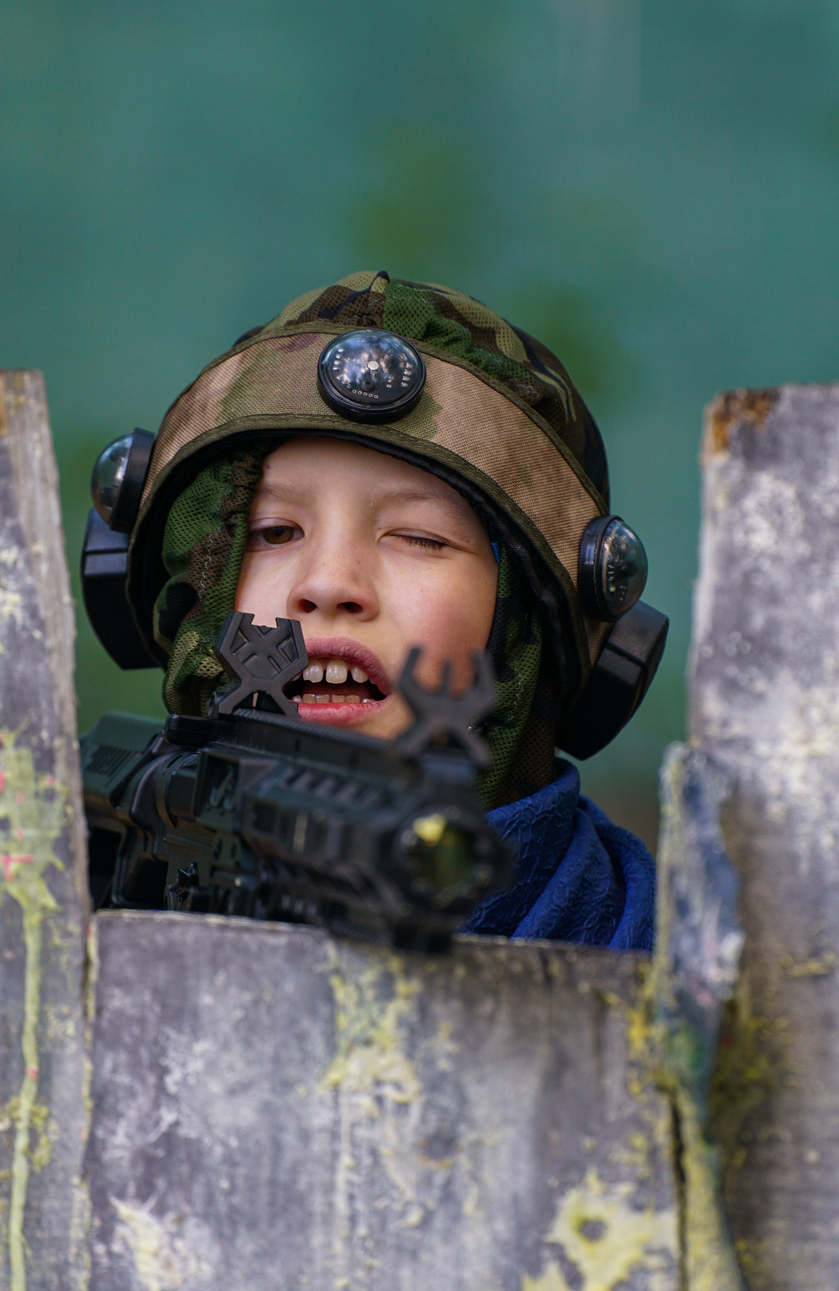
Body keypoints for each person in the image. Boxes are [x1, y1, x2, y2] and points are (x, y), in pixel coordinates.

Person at [84, 269, 661, 952]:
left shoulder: (681, 970)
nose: (329, 584)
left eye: (419, 538)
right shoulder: (54, 888)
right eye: (272, 531)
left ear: (534, 625)